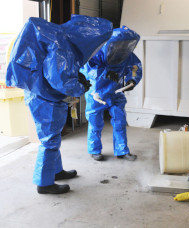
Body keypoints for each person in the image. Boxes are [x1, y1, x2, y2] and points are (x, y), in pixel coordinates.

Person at [6, 15, 113, 194]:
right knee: (49, 141)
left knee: (53, 137)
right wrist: (79, 87)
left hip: (42, 93)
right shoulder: (63, 47)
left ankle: (56, 171)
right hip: (46, 98)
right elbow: (60, 80)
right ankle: (44, 183)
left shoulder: (61, 39)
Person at [80, 26, 142, 161]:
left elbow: (135, 67)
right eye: (121, 44)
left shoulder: (126, 54)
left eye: (126, 44)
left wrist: (132, 80)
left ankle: (122, 150)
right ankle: (94, 150)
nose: (123, 47)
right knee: (95, 123)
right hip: (97, 93)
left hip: (116, 92)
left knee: (119, 122)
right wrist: (106, 74)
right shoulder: (97, 51)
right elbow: (87, 69)